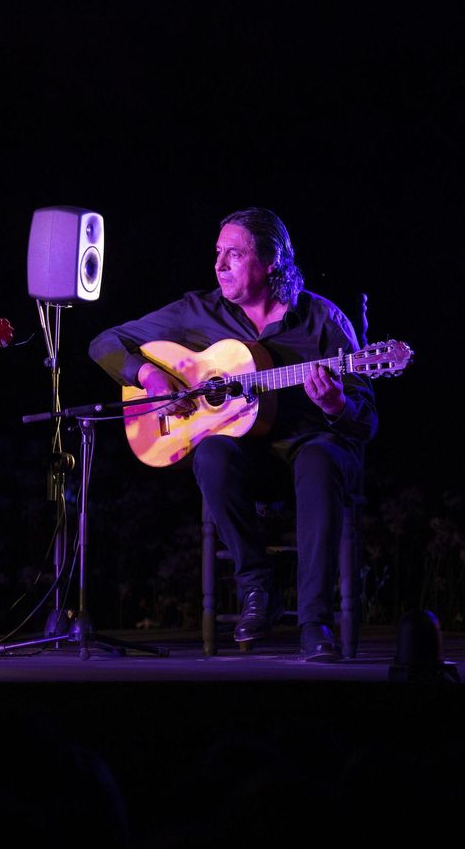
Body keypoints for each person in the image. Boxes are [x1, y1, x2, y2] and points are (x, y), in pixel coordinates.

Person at [88, 207, 376, 660]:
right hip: (247, 457)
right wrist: (148, 375)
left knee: (321, 459)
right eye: (218, 253)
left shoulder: (323, 320)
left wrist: (337, 405)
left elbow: (366, 421)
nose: (219, 265)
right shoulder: (198, 311)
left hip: (310, 451)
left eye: (234, 255)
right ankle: (257, 590)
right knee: (211, 455)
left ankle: (314, 621)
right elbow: (103, 343)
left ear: (272, 261)